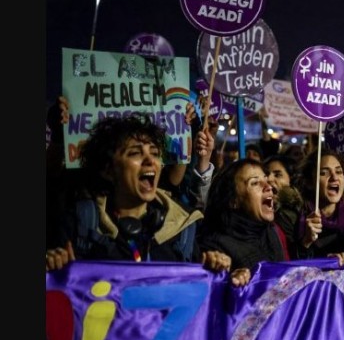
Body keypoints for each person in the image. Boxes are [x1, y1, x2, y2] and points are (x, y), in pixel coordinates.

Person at [45, 112, 231, 273]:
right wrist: (54, 266)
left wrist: (215, 266)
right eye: (135, 153)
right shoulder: (79, 224)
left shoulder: (182, 231)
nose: (150, 160)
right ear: (108, 169)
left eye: (155, 153)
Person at [198, 158, 290, 287]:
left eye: (266, 180)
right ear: (233, 201)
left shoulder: (270, 231)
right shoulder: (215, 247)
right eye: (255, 183)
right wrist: (228, 280)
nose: (269, 187)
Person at [293, 147, 344, 283]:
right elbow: (293, 275)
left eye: (338, 171)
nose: (334, 177)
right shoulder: (296, 218)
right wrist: (306, 242)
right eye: (324, 173)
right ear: (309, 182)